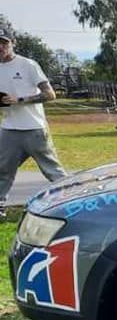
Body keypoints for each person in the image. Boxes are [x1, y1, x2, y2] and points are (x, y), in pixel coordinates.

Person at [0, 27, 67, 219]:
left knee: (52, 171)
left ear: (13, 43)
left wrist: (20, 100)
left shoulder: (28, 65)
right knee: (2, 169)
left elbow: (50, 94)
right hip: (8, 129)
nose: (1, 46)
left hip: (34, 129)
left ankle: (72, 201)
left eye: (4, 42)